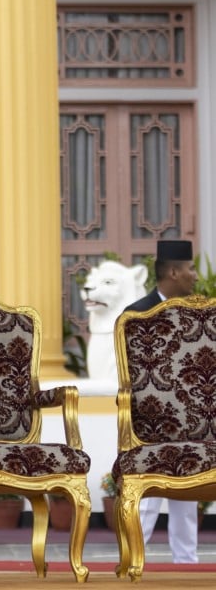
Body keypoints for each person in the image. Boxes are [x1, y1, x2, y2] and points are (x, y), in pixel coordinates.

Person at [124, 239, 199, 564]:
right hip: (150, 419)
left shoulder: (197, 312)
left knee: (188, 494)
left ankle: (187, 563)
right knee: (149, 498)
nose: (195, 275)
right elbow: (130, 370)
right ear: (173, 271)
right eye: (190, 269)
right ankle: (132, 561)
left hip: (189, 418)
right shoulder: (137, 314)